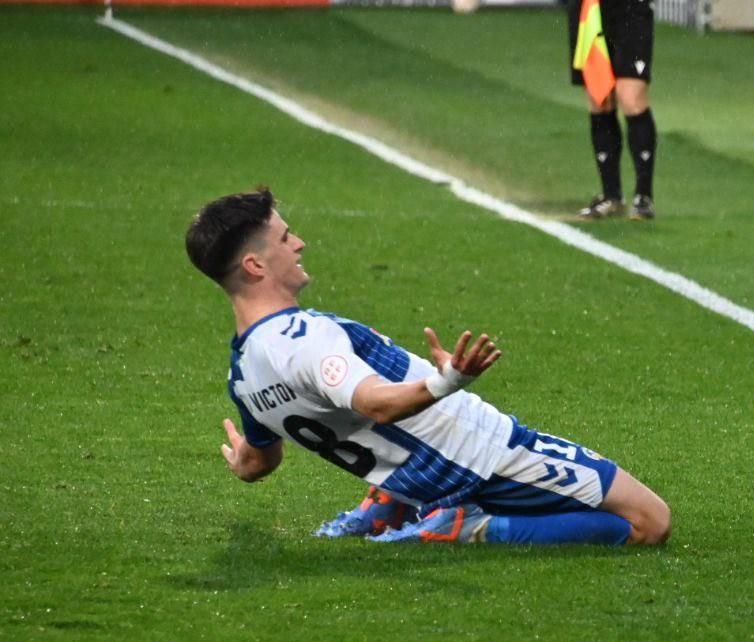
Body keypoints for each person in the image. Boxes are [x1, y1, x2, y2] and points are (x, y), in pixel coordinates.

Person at [186, 189, 671, 545]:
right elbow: (376, 404)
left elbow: (257, 462)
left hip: (413, 475)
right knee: (648, 523)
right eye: (285, 237)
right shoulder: (305, 340)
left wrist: (241, 460)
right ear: (255, 266)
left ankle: (389, 506)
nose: (300, 244)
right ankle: (464, 525)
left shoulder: (244, 372)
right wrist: (449, 380)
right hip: (483, 455)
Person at [568, 0, 657, 220]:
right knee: (599, 99)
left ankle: (643, 196)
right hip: (589, 8)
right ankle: (611, 195)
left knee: (631, 97)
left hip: (630, 9)